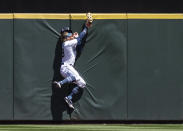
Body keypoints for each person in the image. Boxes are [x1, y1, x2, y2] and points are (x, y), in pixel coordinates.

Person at [53, 13, 93, 109]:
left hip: (68, 67)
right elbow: (80, 38)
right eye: (67, 34)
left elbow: (77, 41)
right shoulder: (67, 43)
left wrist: (73, 36)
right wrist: (86, 26)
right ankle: (60, 83)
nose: (68, 34)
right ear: (65, 36)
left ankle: (69, 98)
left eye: (68, 33)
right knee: (74, 76)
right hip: (66, 67)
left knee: (82, 84)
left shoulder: (69, 43)